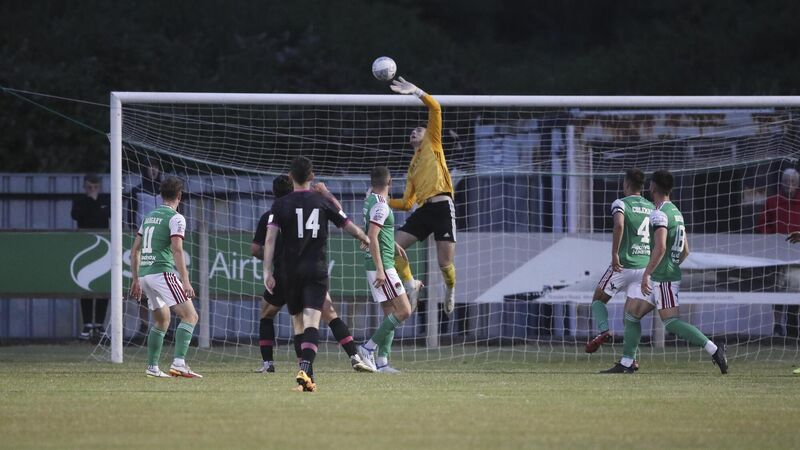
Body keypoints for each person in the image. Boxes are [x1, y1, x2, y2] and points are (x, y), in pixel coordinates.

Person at [601, 170, 728, 374]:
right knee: (632, 313)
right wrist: (670, 264)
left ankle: (714, 349)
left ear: (652, 187)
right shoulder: (675, 211)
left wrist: (648, 274)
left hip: (662, 278)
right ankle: (626, 363)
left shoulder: (659, 214)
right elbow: (686, 250)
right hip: (663, 275)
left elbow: (659, 248)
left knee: (671, 323)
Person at [263, 157, 370, 392]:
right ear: (311, 177)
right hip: (316, 270)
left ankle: (306, 378)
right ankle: (306, 370)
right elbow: (347, 223)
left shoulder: (279, 205)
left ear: (290, 177)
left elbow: (269, 240)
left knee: (298, 324)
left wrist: (267, 271)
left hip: (289, 272)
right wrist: (364, 237)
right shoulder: (321, 201)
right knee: (314, 320)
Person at [387, 77, 455, 315]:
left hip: (443, 206)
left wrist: (415, 91)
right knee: (391, 247)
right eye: (412, 131)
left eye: (419, 129)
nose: (414, 132)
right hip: (425, 210)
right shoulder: (412, 166)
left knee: (444, 264)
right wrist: (382, 200)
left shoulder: (433, 143)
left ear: (428, 134)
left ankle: (450, 289)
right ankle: (410, 284)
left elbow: (435, 107)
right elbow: (407, 203)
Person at [129, 176, 202, 379]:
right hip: (162, 272)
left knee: (162, 321)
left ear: (161, 195)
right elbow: (177, 250)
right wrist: (185, 281)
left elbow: (134, 250)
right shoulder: (176, 218)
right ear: (180, 195)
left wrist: (136, 279)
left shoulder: (149, 216)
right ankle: (179, 363)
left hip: (144, 274)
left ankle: (152, 367)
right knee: (191, 316)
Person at [585, 169, 654, 367]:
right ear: (642, 187)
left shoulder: (621, 203)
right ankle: (630, 360)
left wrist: (615, 253)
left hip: (622, 265)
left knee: (598, 300)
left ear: (626, 184)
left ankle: (604, 330)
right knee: (630, 317)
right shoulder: (651, 207)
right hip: (644, 268)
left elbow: (619, 225)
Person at [357, 167, 414, 373]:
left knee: (390, 312)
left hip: (380, 261)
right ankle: (366, 348)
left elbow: (377, 233)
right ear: (389, 182)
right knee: (405, 310)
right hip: (382, 265)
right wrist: (381, 269)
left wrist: (394, 244)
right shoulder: (381, 205)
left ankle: (382, 362)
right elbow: (372, 236)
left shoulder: (369, 199)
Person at [756, 168, 800, 337]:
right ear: (781, 183)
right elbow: (762, 226)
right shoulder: (772, 201)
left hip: (797, 256)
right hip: (776, 255)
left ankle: (795, 325)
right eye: (787, 181)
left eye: (793, 182)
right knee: (778, 289)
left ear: (797, 184)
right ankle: (777, 325)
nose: (790, 185)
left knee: (797, 290)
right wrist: (771, 241)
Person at [71, 173, 111, 340]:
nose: (92, 190)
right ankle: (87, 324)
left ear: (99, 187)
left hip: (104, 245)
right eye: (89, 187)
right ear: (84, 187)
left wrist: (96, 201)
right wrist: (90, 200)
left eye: (95, 187)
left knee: (103, 285)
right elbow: (76, 216)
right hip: (84, 245)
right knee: (85, 284)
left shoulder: (106, 199)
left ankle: (100, 325)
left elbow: (107, 216)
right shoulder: (80, 200)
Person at [129, 157, 164, 339]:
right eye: (150, 166)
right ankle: (143, 326)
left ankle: (166, 326)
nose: (153, 170)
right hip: (143, 242)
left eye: (156, 167)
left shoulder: (164, 191)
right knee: (142, 284)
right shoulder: (136, 191)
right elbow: (130, 216)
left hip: (162, 242)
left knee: (164, 284)